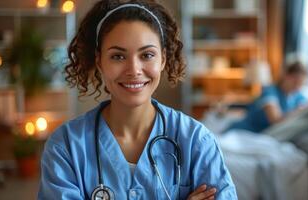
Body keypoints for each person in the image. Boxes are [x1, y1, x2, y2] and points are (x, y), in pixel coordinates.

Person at [38, 1, 237, 200]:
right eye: (118, 56)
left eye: (147, 55)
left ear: (163, 59)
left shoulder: (196, 142)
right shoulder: (65, 147)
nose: (134, 70)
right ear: (99, 62)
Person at [223, 61, 308, 133]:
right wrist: (299, 111)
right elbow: (275, 120)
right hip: (244, 132)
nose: (297, 87)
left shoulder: (298, 96)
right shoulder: (269, 92)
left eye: (301, 84)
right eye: (295, 82)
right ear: (286, 76)